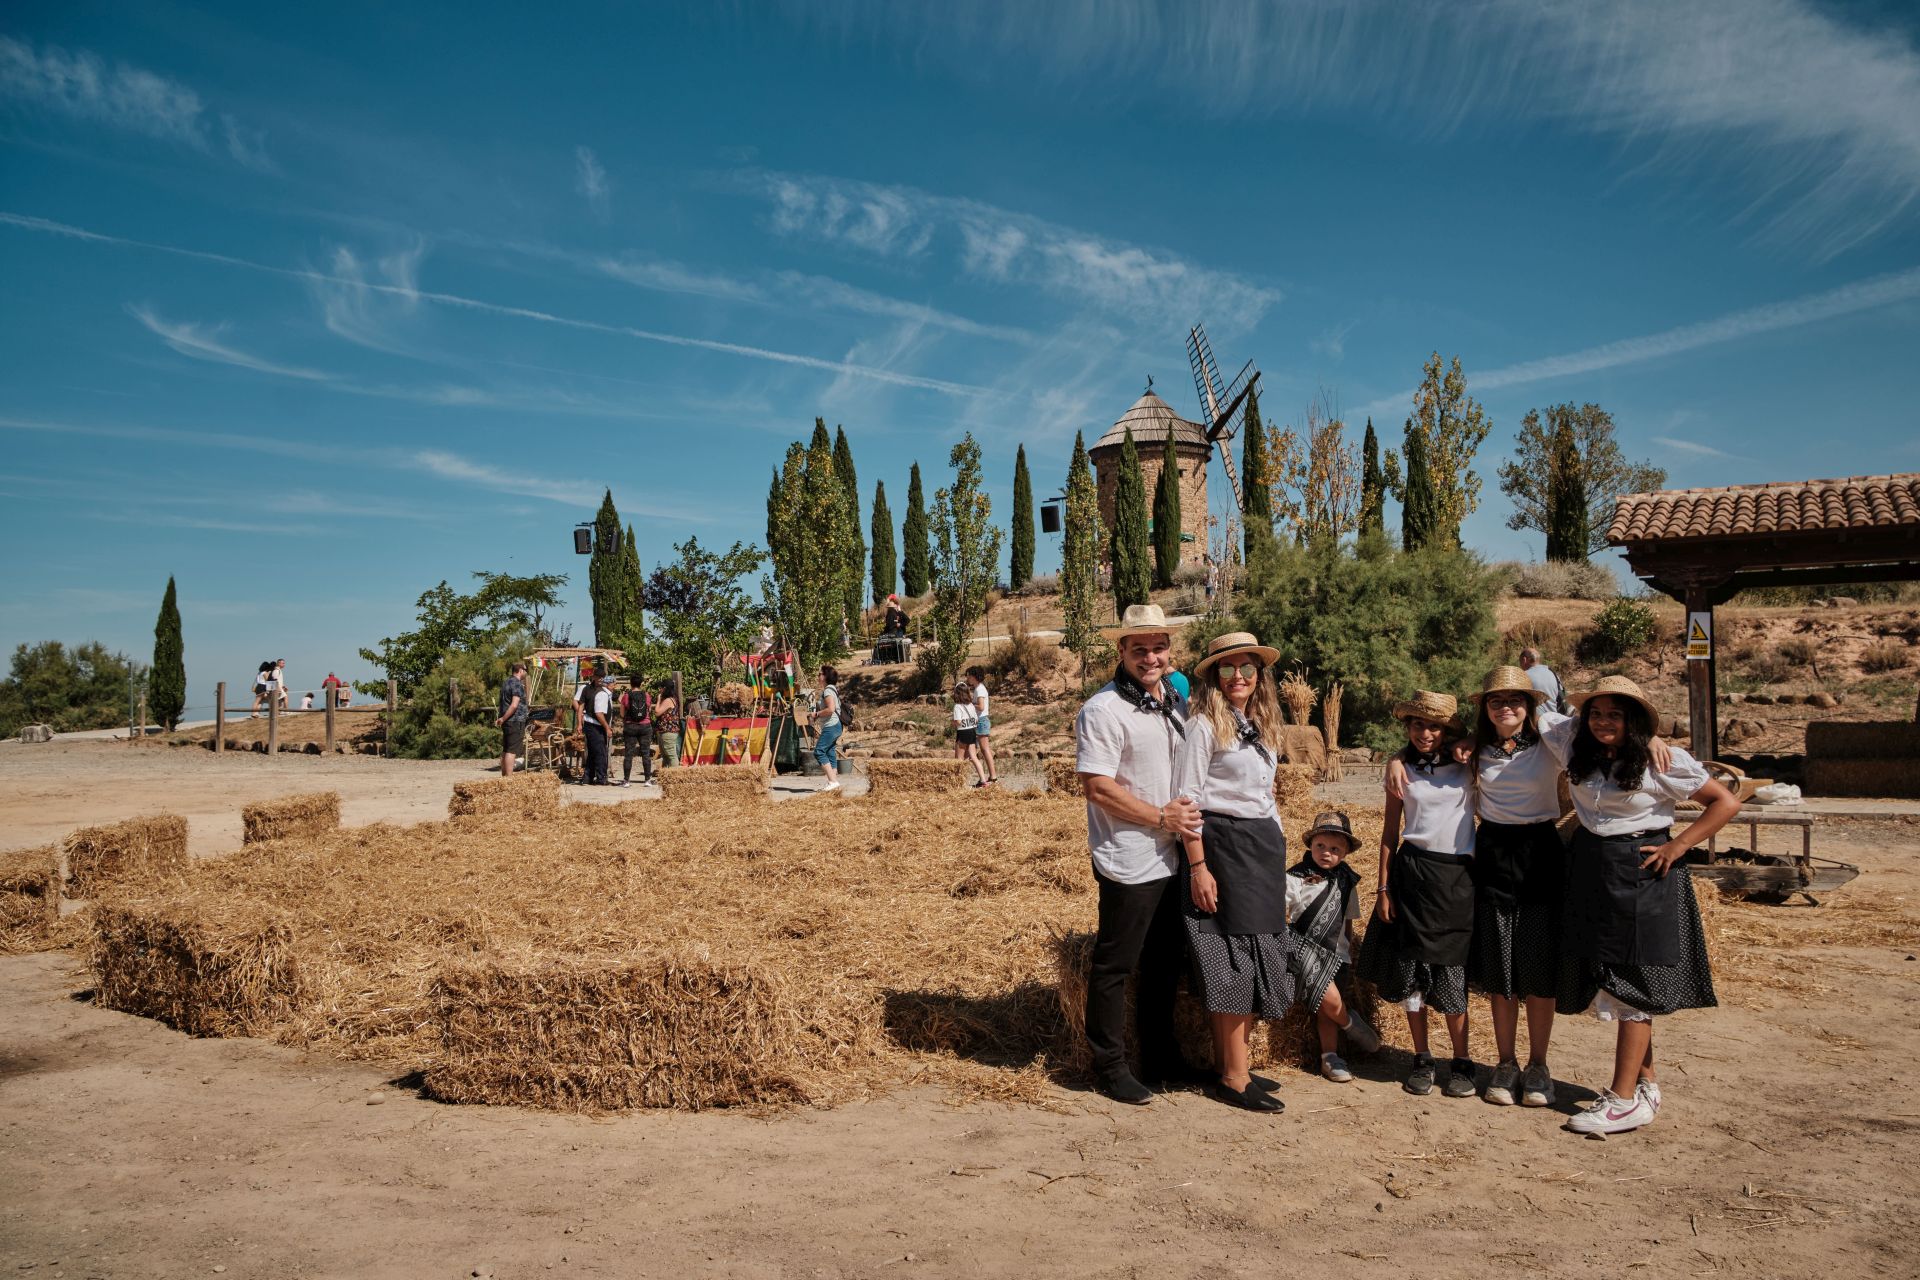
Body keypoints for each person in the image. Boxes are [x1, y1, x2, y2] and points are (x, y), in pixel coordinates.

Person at [1540, 675, 1739, 1136]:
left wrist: (1679, 846)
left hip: (1642, 869)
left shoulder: (1664, 760)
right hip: (1592, 866)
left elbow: (1724, 802)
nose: (1603, 721)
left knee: (1634, 978)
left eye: (1615, 714)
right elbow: (1533, 713)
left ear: (1633, 721)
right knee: (1610, 975)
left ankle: (1622, 1100)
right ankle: (1646, 1082)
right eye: (1596, 713)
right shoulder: (1574, 743)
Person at [1075, 603, 1206, 1106]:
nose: (1150, 657)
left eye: (1158, 648)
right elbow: (1097, 787)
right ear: (1121, 651)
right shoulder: (1104, 710)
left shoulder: (1173, 699)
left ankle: (1161, 1055)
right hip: (1131, 856)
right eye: (1139, 649)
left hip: (1173, 855)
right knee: (1116, 965)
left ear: (1170, 651)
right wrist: (1160, 819)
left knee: (1164, 962)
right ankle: (1109, 1066)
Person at [1171, 631, 1293, 1113]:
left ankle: (1233, 1064)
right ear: (1214, 676)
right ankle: (1235, 1077)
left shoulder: (1260, 724)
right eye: (1228, 668)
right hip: (1222, 847)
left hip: (1260, 848)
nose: (1238, 676)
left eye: (1247, 668)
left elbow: (1268, 794)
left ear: (1259, 675)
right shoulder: (1204, 724)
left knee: (1255, 953)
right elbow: (1188, 799)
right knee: (1233, 960)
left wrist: (1279, 845)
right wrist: (1198, 866)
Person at [1357, 690, 1478, 1099]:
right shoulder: (1401, 769)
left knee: (1452, 970)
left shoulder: (1467, 764)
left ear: (1448, 730)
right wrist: (1384, 888)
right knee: (1413, 975)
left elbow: (1501, 743)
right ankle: (1422, 1057)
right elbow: (1390, 834)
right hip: (1412, 873)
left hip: (1457, 878)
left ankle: (1461, 1060)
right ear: (1407, 727)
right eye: (1418, 724)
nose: (1425, 733)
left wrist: (1474, 742)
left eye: (1435, 726)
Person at [1286, 811, 1383, 1083]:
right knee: (1329, 998)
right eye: (1320, 846)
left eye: (1334, 849)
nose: (1326, 852)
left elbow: (1348, 921)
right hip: (1302, 950)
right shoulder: (1295, 876)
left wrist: (1350, 950)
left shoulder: (1347, 881)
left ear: (1345, 853)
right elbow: (1278, 906)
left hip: (1335, 953)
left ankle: (1330, 1057)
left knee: (1324, 1007)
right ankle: (1351, 1024)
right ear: (1310, 844)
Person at [575, 672, 614, 785]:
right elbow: (596, 712)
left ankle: (588, 778)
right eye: (599, 677)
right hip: (594, 724)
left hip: (595, 724)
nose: (601, 679)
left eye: (603, 677)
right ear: (593, 677)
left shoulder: (602, 691)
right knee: (600, 752)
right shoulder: (589, 690)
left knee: (592, 752)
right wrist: (579, 724)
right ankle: (601, 778)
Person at [810, 665, 844, 792]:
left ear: (825, 677)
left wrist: (817, 714)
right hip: (836, 726)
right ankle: (833, 784)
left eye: (820, 674)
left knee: (819, 752)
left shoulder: (828, 691)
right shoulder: (832, 689)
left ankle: (833, 782)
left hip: (832, 726)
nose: (818, 676)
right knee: (830, 753)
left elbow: (830, 709)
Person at [950, 681, 988, 788]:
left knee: (959, 759)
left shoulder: (957, 706)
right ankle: (983, 780)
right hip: (972, 732)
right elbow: (975, 720)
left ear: (956, 693)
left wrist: (951, 722)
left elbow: (958, 722)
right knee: (973, 757)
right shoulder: (971, 705)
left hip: (962, 732)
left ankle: (959, 783)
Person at [964, 666, 997, 788]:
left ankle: (993, 777)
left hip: (981, 721)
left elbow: (981, 707)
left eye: (969, 676)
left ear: (974, 676)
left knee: (984, 749)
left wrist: (970, 704)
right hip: (980, 721)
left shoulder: (980, 689)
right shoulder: (978, 688)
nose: (968, 678)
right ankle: (990, 777)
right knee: (980, 750)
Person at [496, 661, 529, 777]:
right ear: (520, 670)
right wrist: (504, 718)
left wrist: (502, 718)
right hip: (515, 720)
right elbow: (514, 705)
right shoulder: (517, 684)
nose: (526, 673)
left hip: (507, 721)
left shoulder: (506, 682)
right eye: (525, 671)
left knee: (506, 749)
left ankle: (504, 777)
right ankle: (509, 779)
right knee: (511, 751)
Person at [620, 679, 655, 786]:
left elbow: (622, 714)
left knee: (629, 754)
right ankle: (647, 780)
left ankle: (626, 781)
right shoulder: (647, 695)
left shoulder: (626, 696)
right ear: (641, 683)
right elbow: (648, 710)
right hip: (645, 726)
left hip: (630, 726)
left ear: (631, 683)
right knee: (646, 753)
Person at [1519, 648, 1567, 715]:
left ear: (1524, 660)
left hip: (1535, 722)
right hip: (1555, 720)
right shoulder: (1553, 674)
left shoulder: (1523, 676)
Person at [655, 684, 682, 769]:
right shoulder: (673, 699)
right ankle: (665, 775)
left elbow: (657, 712)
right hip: (665, 730)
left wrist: (658, 700)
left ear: (665, 689)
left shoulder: (668, 700)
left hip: (668, 731)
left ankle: (675, 775)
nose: (660, 690)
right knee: (665, 756)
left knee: (671, 754)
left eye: (661, 687)